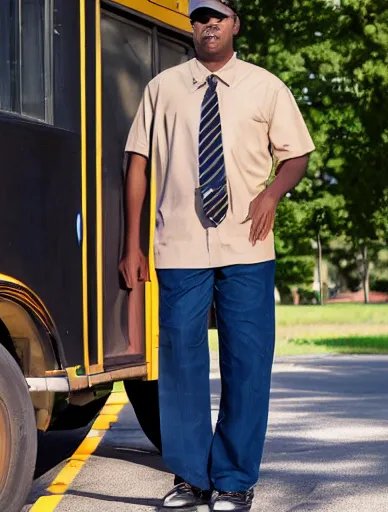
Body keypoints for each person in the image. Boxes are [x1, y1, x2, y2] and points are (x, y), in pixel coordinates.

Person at [119, 0, 315, 510]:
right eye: (201, 17)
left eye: (219, 17)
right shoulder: (162, 89)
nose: (209, 25)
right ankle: (190, 477)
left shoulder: (266, 86)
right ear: (193, 25)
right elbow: (136, 163)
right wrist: (130, 243)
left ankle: (233, 479)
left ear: (235, 24)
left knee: (246, 363)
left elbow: (297, 154)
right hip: (178, 244)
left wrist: (271, 194)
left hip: (247, 244)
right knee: (180, 364)